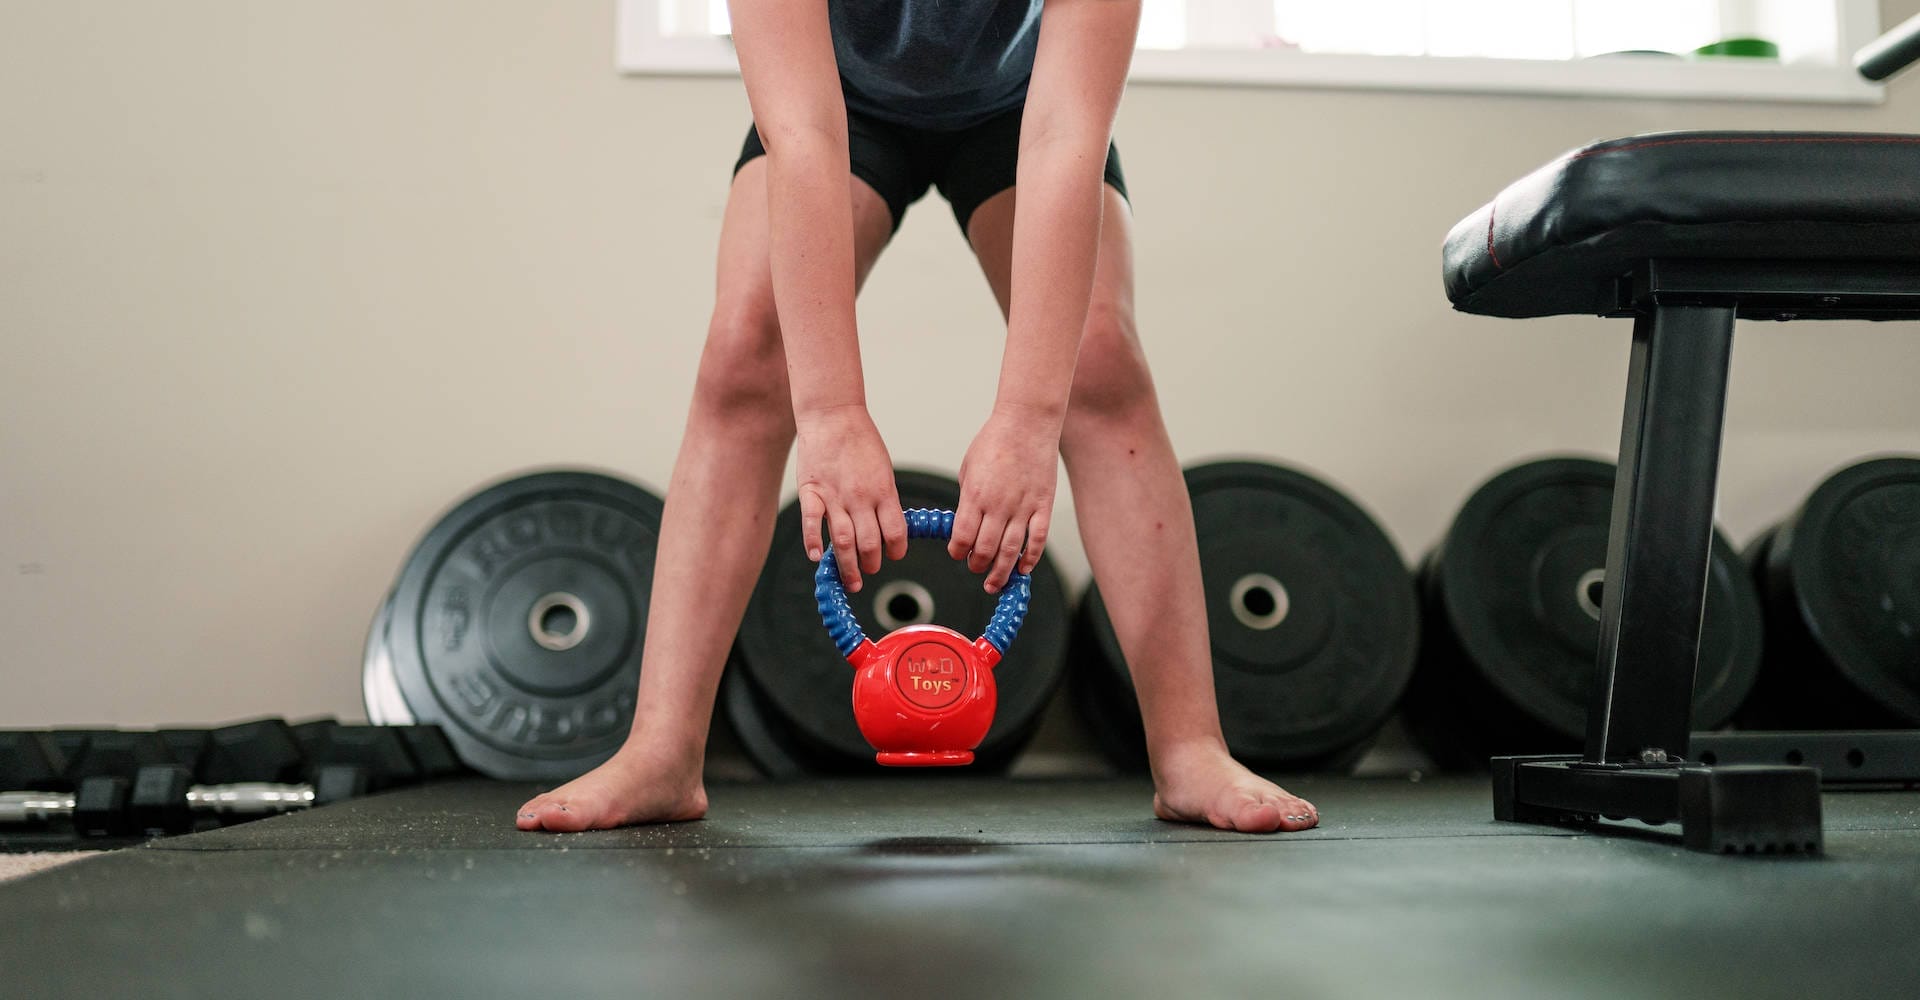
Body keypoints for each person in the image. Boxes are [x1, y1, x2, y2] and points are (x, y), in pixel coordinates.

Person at [517, 0, 1319, 834]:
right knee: (746, 350)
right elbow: (804, 137)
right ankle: (662, 752)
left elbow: (1065, 136)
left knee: (1101, 359)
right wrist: (830, 415)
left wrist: (1026, 418)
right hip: (837, 105)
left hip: (1025, 106)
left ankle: (1190, 749)